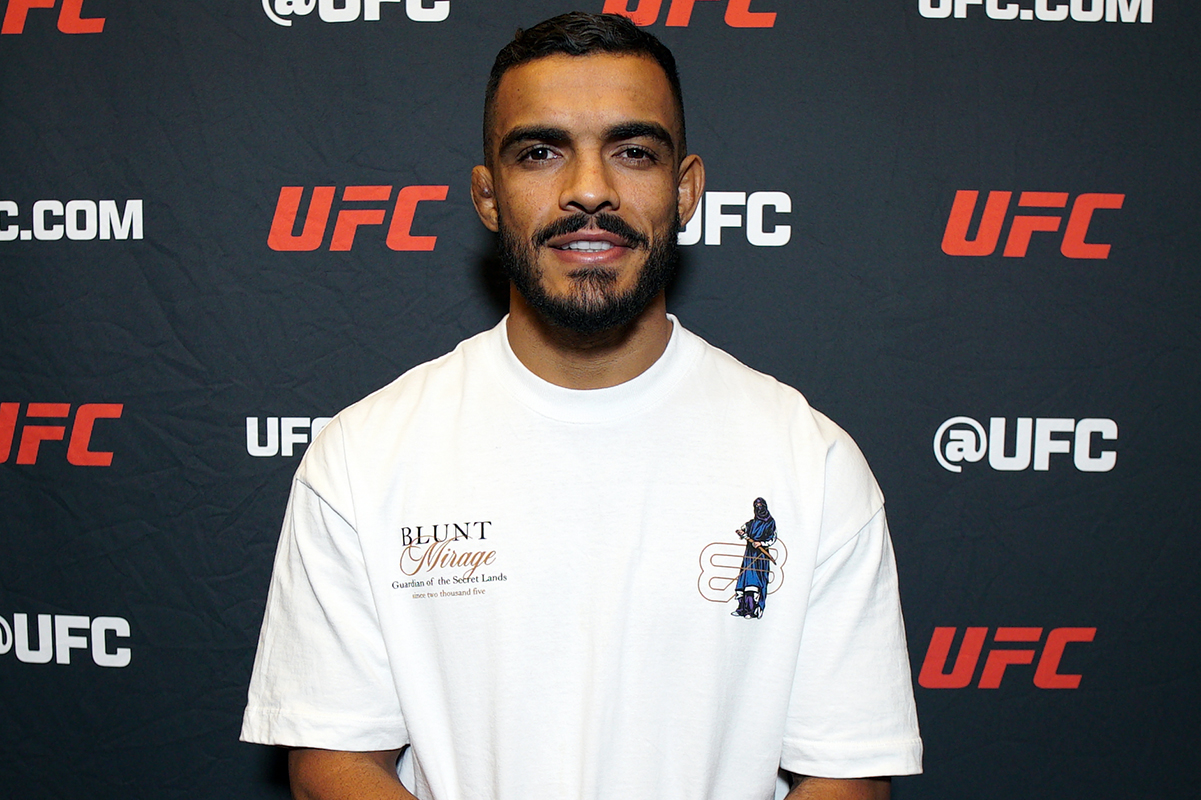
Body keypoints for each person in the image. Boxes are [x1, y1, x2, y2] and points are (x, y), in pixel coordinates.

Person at [241, 11, 922, 800]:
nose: (589, 190)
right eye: (540, 152)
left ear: (685, 189)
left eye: (633, 152)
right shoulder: (364, 456)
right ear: (488, 196)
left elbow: (845, 774)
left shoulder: (811, 462)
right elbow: (333, 759)